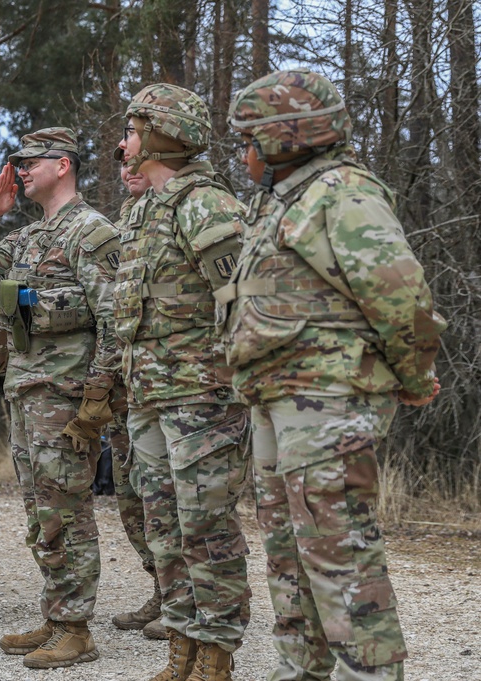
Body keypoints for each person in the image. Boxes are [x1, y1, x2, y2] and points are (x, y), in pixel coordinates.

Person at [222, 68, 446, 681]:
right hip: (279, 398)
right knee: (288, 554)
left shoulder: (341, 193)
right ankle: (302, 670)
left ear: (285, 139)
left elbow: (402, 298)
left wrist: (413, 374)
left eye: (250, 139)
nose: (242, 153)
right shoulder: (286, 196)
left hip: (329, 399)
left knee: (339, 552)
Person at [0, 128, 121, 669]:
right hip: (27, 393)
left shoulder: (90, 232)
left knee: (66, 511)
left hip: (68, 397)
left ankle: (77, 628)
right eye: (17, 162)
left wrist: (97, 397)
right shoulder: (30, 238)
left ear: (65, 165)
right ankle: (56, 616)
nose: (21, 170)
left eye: (31, 162)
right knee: (39, 510)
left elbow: (115, 321)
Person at [113, 84, 252, 681]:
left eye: (134, 130)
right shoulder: (145, 210)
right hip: (149, 396)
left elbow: (246, 303)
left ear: (162, 136)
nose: (124, 144)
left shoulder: (207, 206)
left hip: (202, 400)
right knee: (163, 527)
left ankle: (215, 653)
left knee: (206, 528)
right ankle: (181, 645)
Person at [106, 157, 164, 641]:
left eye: (138, 161)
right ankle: (165, 588)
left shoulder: (185, 212)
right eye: (124, 164)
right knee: (133, 498)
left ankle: (190, 601)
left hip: (170, 384)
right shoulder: (128, 220)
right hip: (128, 384)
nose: (128, 167)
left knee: (168, 497)